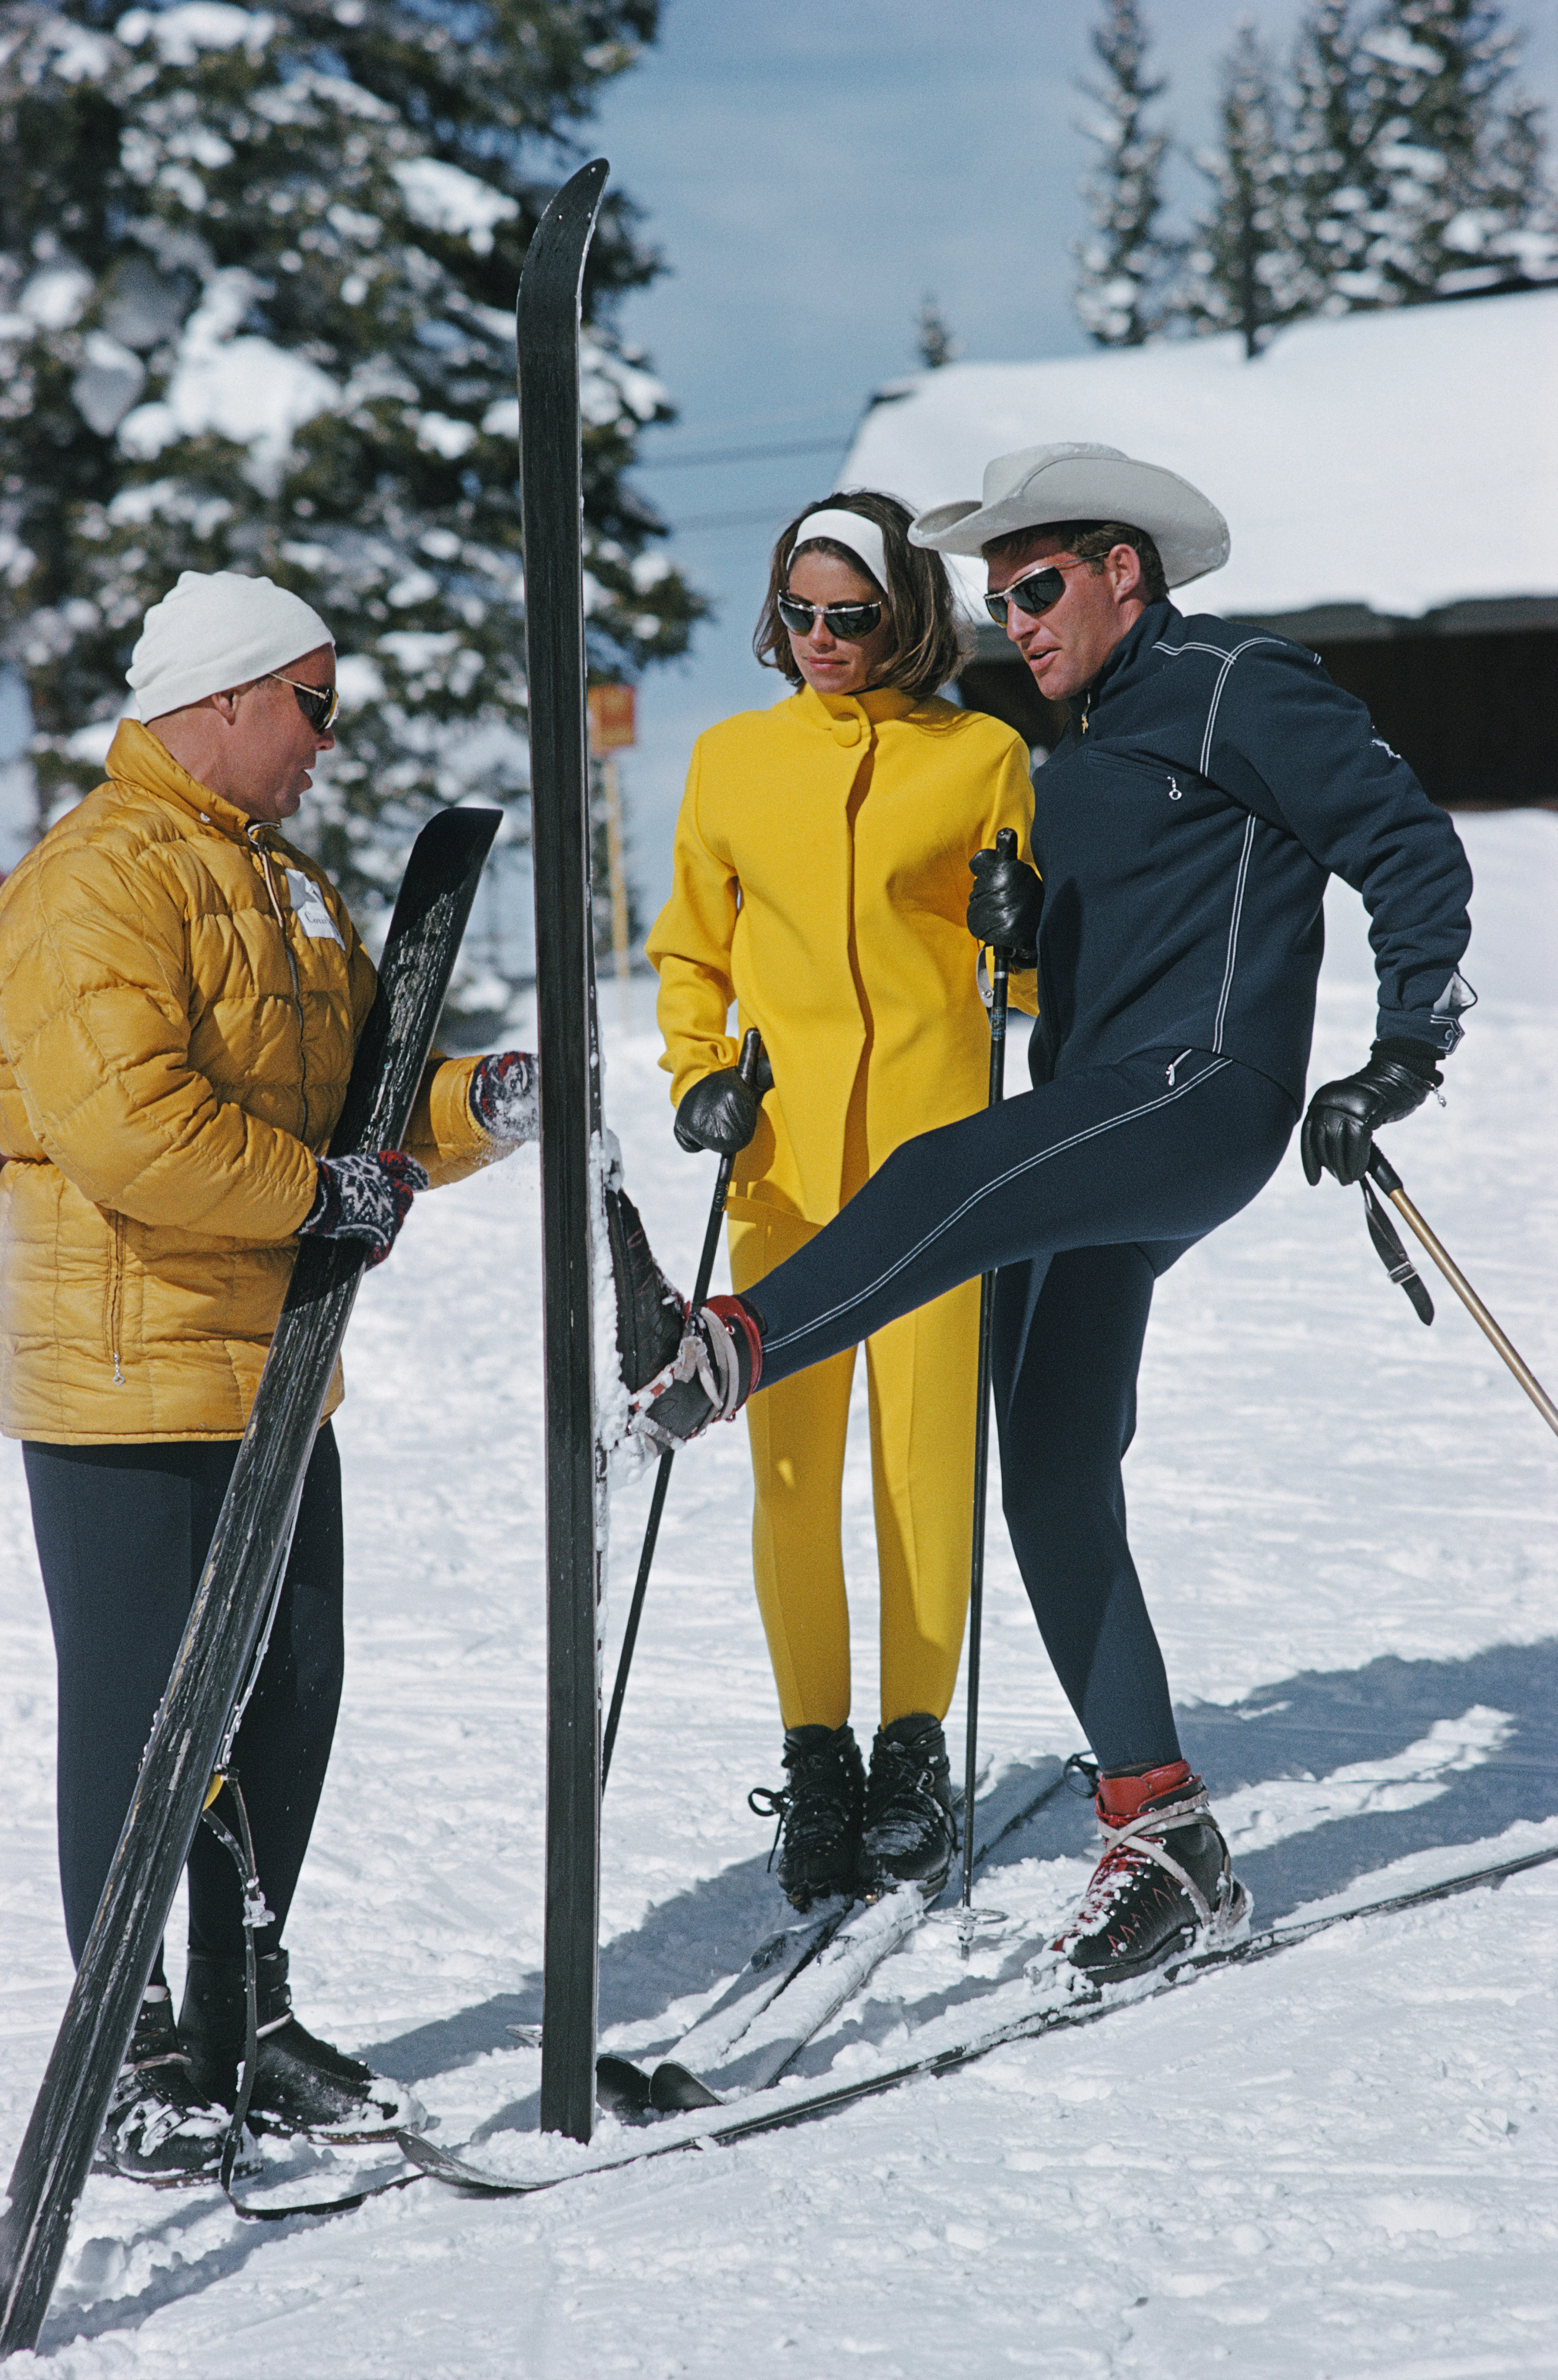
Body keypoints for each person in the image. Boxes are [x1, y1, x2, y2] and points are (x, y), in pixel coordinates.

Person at [615, 442, 1473, 1986]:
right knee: (1052, 1464)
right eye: (994, 597)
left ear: (1120, 570)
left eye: (1038, 585)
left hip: (1196, 1093)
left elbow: (1401, 841)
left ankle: (734, 1342)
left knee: (943, 1168)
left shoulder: (1231, 680)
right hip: (1098, 1122)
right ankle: (1164, 1838)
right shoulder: (1069, 744)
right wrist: (1004, 933)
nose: (1015, 619)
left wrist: (1402, 1044)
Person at [0, 571, 539, 2184]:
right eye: (313, 702)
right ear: (226, 696)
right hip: (124, 1363)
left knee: (290, 1685)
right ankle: (133, 2037)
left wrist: (473, 1108)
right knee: (149, 1705)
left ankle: (241, 2010)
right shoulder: (95, 877)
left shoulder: (287, 888)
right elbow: (128, 1125)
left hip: (275, 1365)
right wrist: (325, 1197)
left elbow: (363, 1105)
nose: (327, 737)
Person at [644, 493, 1034, 1911]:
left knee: (923, 1469)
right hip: (785, 1174)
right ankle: (818, 1762)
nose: (819, 640)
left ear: (904, 610)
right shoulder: (731, 760)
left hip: (938, 1170)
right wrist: (698, 1075)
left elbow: (1031, 976)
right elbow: (690, 950)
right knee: (791, 1476)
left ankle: (911, 1753)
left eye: (849, 616)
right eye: (799, 613)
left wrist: (1021, 933)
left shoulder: (982, 753)